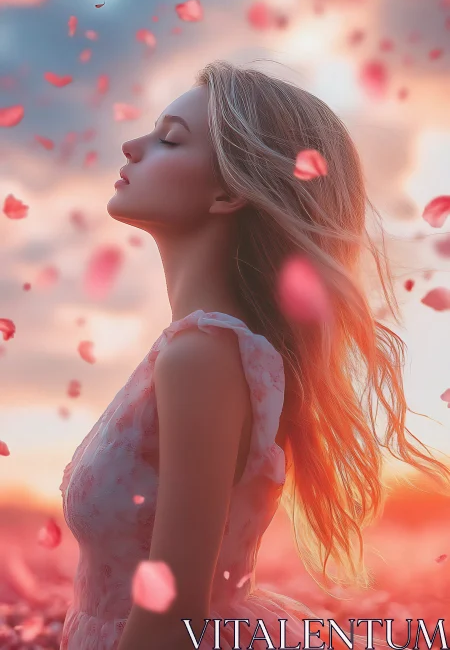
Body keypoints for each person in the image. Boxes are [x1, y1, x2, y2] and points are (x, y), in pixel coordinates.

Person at [59, 60, 450, 650]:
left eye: (169, 140)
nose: (132, 145)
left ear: (229, 192)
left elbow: (170, 614)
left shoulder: (204, 356)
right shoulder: (203, 350)